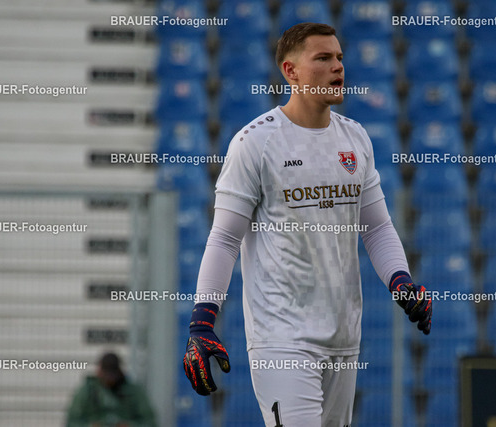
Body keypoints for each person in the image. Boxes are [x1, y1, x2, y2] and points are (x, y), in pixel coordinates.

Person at [183, 22, 432, 426]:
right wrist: (202, 321)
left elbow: (376, 228)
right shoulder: (254, 143)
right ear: (291, 71)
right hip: (282, 338)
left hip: (344, 337)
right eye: (323, 58)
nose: (338, 66)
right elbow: (225, 238)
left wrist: (400, 281)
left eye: (340, 58)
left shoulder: (356, 139)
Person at [66, 352, 156, 427]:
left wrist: (129, 425)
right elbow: (72, 422)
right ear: (99, 372)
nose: (109, 380)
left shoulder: (133, 391)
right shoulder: (87, 392)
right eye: (106, 376)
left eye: (112, 375)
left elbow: (150, 422)